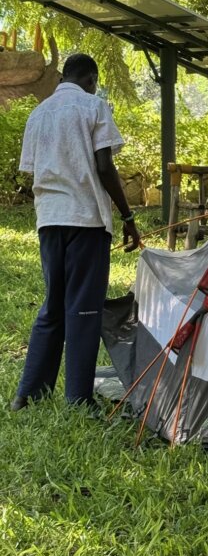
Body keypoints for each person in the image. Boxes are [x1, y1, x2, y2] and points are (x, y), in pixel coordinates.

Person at [11, 53, 141, 412]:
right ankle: (79, 398)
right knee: (83, 309)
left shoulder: (39, 113)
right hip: (86, 220)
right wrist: (128, 217)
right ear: (91, 79)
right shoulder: (93, 106)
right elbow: (104, 165)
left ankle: (28, 394)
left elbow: (33, 170)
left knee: (53, 305)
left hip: (49, 220)